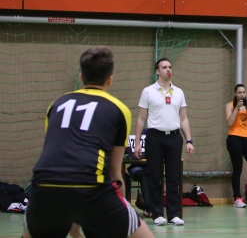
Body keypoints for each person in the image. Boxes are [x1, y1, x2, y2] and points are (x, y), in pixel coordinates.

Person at [23, 47, 155, 238]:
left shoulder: (57, 104)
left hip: (44, 186)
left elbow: (58, 153)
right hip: (93, 190)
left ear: (81, 77)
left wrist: (74, 220)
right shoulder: (118, 109)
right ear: (110, 79)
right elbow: (115, 173)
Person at [134, 57, 194, 226]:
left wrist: (189, 140)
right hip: (155, 137)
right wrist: (137, 143)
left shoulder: (179, 92)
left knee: (173, 177)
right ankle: (157, 214)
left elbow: (183, 118)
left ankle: (173, 214)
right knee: (154, 176)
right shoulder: (148, 91)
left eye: (170, 67)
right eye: (164, 67)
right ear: (157, 71)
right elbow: (141, 119)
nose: (168, 70)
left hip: (174, 137)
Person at [225, 84, 247, 208]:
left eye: (244, 92)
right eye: (239, 92)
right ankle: (237, 198)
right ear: (235, 94)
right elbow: (229, 122)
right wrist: (237, 109)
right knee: (237, 169)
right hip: (234, 138)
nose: (242, 95)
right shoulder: (230, 105)